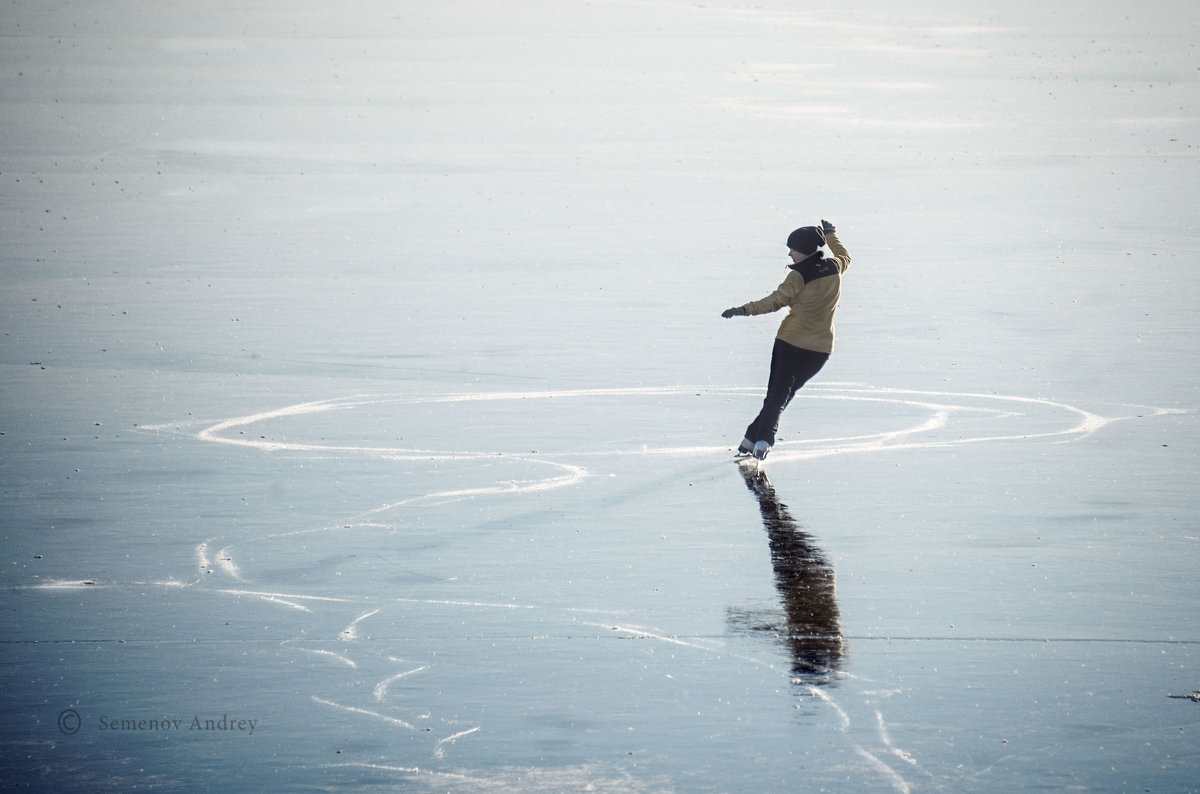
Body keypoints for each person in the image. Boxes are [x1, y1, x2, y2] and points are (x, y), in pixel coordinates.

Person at [721, 219, 851, 460]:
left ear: (805, 250)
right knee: (783, 395)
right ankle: (751, 438)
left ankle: (764, 440)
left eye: (793, 249)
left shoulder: (798, 276)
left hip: (790, 343)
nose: (790, 253)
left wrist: (743, 310)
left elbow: (775, 301)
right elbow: (845, 255)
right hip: (821, 349)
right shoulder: (835, 267)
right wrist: (832, 235)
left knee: (777, 395)